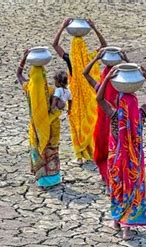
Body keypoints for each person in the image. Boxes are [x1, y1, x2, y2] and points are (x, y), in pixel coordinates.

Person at [96, 65, 146, 240]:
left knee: (117, 190)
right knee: (132, 190)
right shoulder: (140, 115)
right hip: (134, 163)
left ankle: (117, 221)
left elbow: (99, 98)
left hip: (116, 161)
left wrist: (107, 78)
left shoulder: (115, 115)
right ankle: (126, 229)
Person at [52, 18, 107, 165]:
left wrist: (63, 26)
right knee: (91, 121)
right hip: (89, 96)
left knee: (77, 123)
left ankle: (80, 153)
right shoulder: (90, 58)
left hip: (74, 97)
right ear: (84, 47)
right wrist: (94, 28)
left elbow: (55, 44)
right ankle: (91, 150)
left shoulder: (69, 59)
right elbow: (104, 46)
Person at [16, 49, 62, 189]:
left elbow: (19, 74)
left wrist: (24, 58)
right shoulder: (50, 90)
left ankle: (42, 181)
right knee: (51, 152)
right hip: (51, 126)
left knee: (39, 152)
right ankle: (53, 179)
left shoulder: (29, 88)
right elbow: (62, 104)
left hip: (35, 128)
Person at [83, 48, 129, 186]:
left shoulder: (99, 90)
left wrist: (96, 58)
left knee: (105, 150)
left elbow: (85, 73)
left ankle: (108, 177)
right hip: (117, 124)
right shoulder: (121, 90)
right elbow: (135, 79)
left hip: (104, 124)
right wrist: (126, 61)